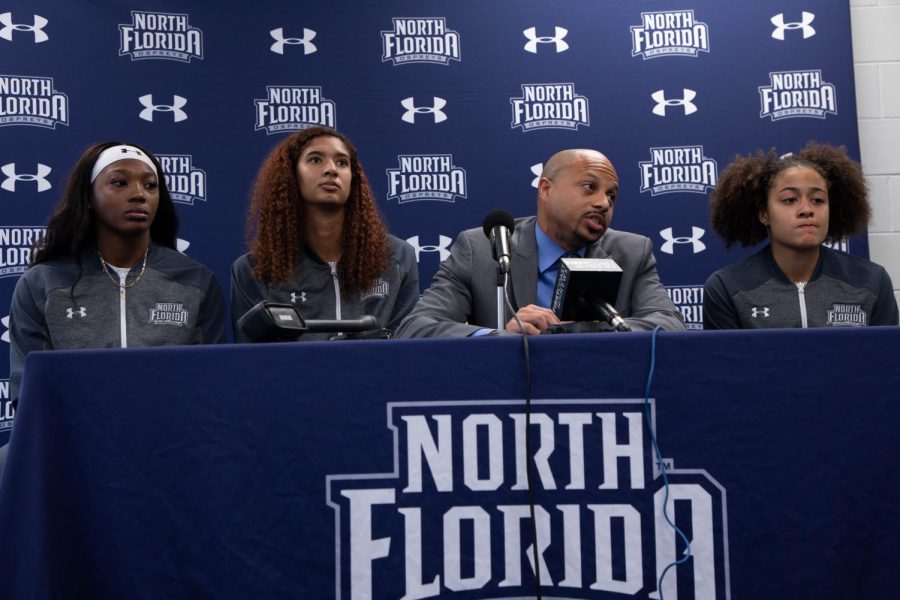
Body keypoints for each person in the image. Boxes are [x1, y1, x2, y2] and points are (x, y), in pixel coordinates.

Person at [4, 141, 227, 469]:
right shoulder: (44, 282)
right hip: (71, 446)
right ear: (89, 198)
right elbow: (29, 392)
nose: (139, 194)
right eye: (119, 182)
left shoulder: (195, 281)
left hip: (172, 446)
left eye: (150, 185)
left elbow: (211, 386)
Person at [395, 148, 685, 337]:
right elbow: (416, 328)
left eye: (612, 196)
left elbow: (671, 326)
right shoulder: (482, 248)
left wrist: (576, 332)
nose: (603, 203)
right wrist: (498, 336)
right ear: (546, 189)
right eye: (589, 187)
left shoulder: (632, 253)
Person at [231, 127, 418, 341]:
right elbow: (251, 359)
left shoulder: (398, 257)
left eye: (342, 162)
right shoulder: (255, 269)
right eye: (315, 160)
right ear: (291, 174)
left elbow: (407, 349)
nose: (331, 169)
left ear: (353, 179)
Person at [703, 141, 898, 329]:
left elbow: (886, 360)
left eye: (818, 200)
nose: (806, 209)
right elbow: (728, 362)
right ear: (764, 213)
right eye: (790, 200)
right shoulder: (727, 288)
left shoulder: (871, 281)